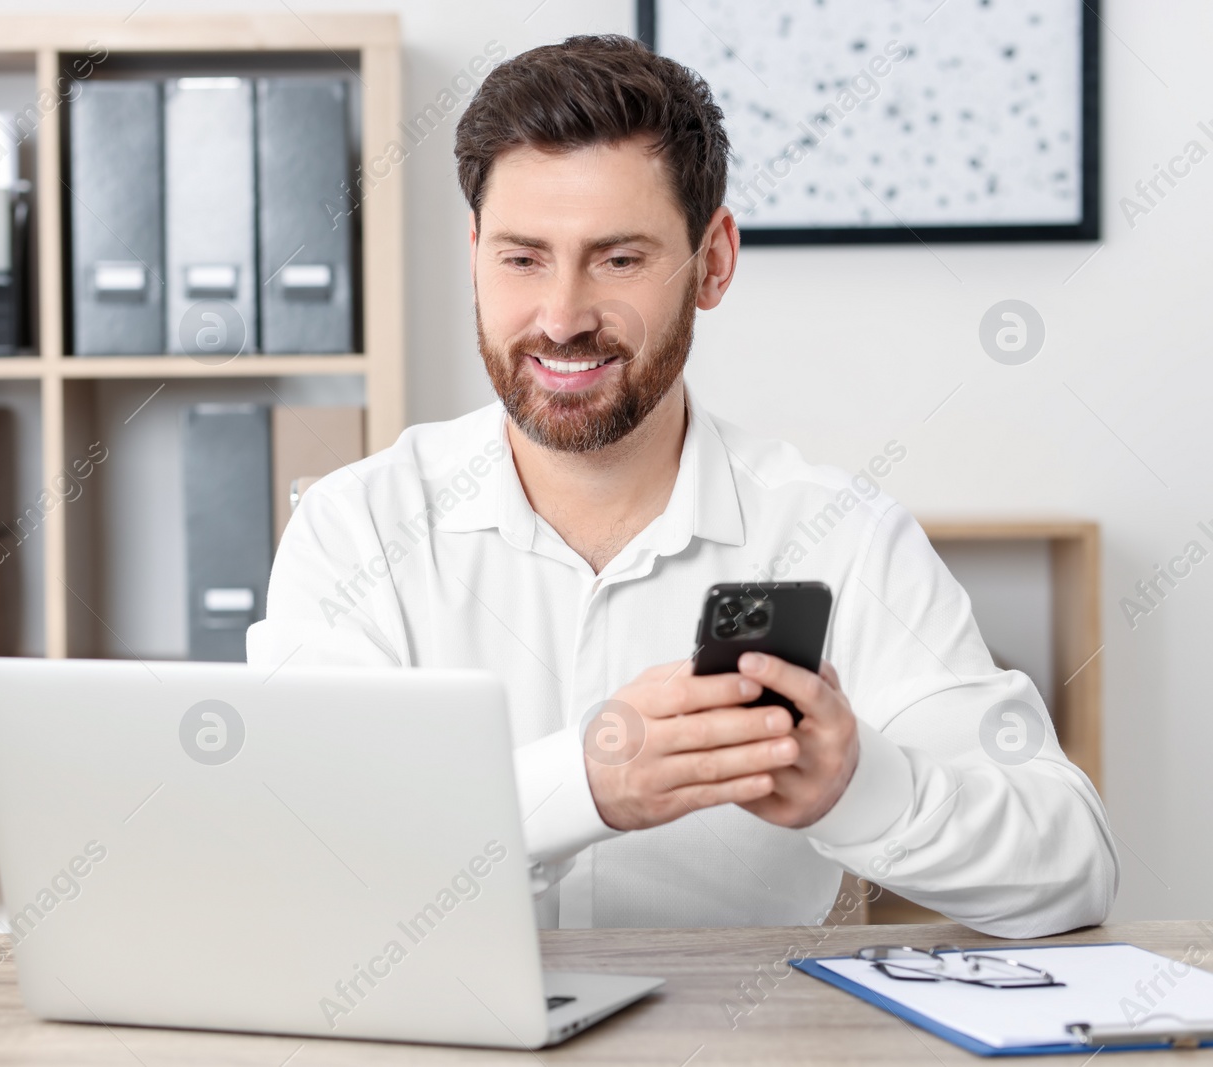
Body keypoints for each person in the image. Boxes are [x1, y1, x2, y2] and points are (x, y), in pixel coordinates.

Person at [247, 34, 1115, 936]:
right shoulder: (358, 530)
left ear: (713, 263)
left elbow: (1075, 867)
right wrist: (584, 784)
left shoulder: (840, 536)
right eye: (522, 257)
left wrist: (860, 788)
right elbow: (306, 860)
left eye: (619, 260)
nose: (561, 317)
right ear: (473, 254)